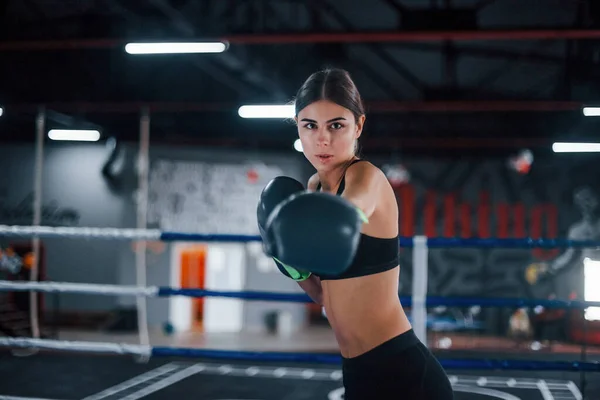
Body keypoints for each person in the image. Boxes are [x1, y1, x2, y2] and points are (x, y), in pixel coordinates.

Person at [257, 68, 453, 399]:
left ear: (358, 125)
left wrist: (295, 228)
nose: (322, 139)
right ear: (298, 129)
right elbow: (323, 296)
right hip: (358, 372)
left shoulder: (366, 177)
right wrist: (287, 259)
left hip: (403, 372)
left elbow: (350, 212)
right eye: (310, 126)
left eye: (336, 125)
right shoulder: (315, 186)